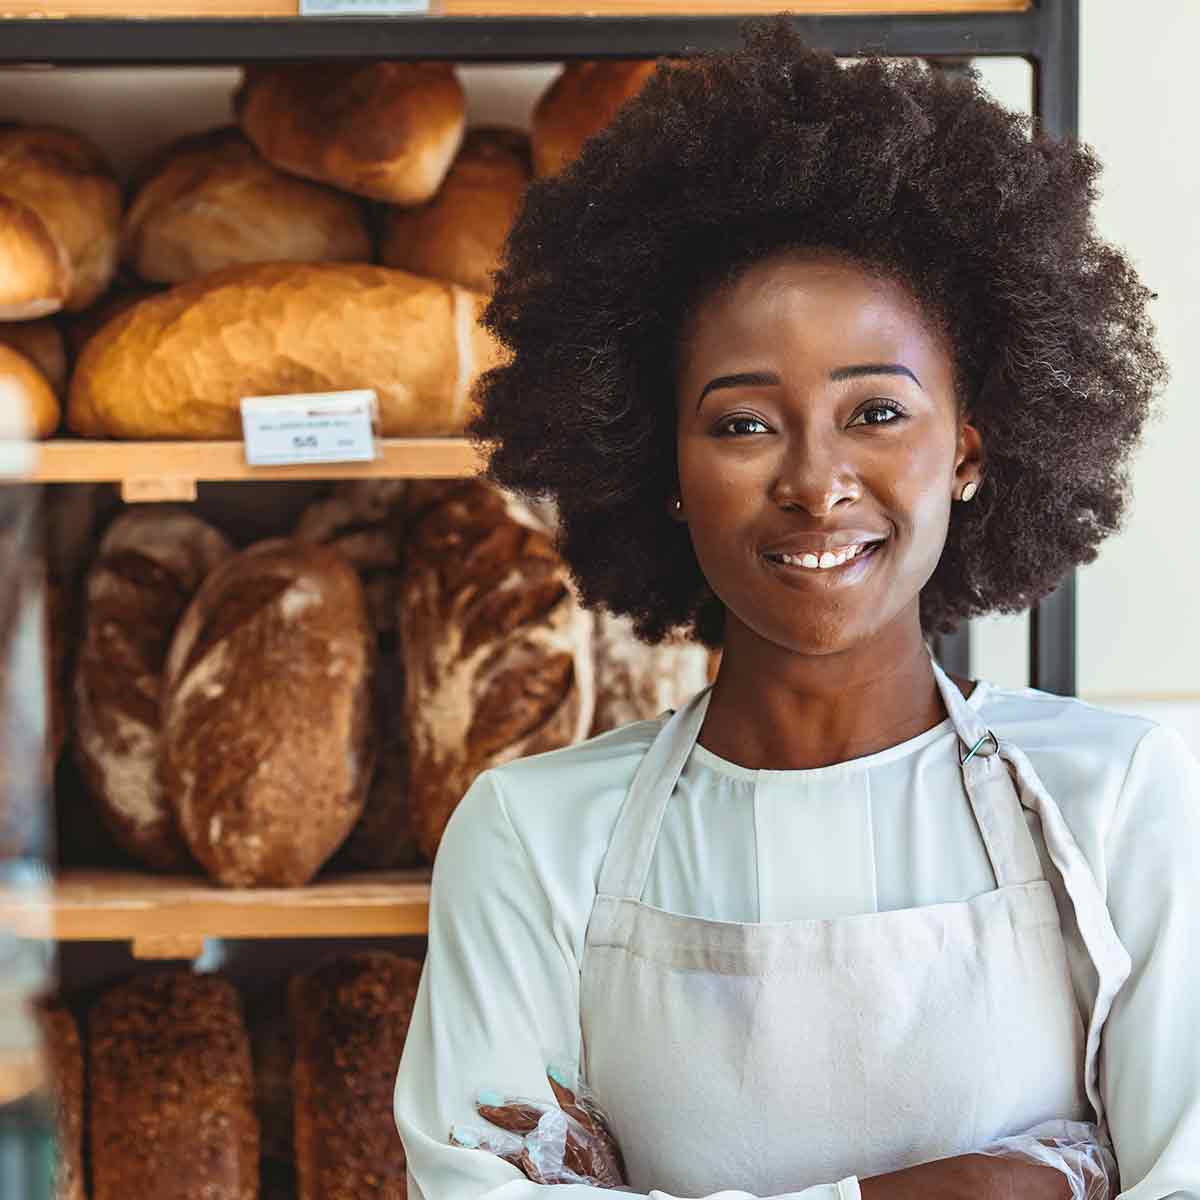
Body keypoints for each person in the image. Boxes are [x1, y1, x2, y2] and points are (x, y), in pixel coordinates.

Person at [393, 19, 1197, 1200]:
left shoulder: (1116, 799)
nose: (816, 483)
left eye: (877, 412)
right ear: (661, 468)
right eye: (742, 423)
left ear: (969, 448)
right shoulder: (532, 837)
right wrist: (959, 1191)